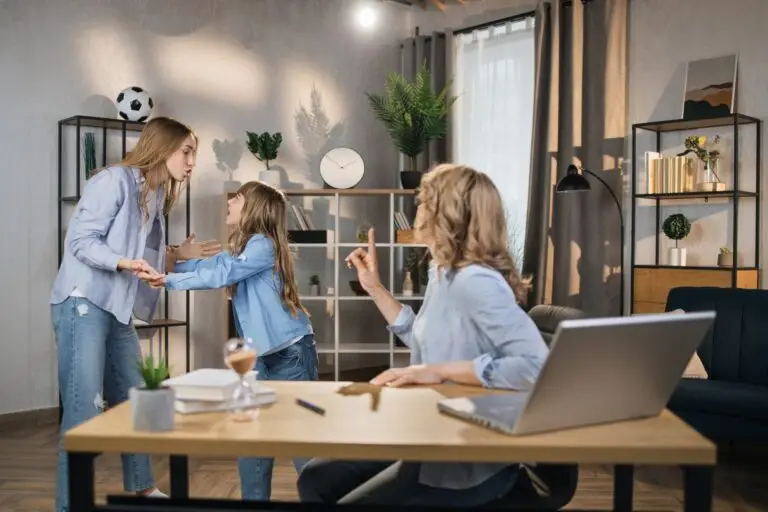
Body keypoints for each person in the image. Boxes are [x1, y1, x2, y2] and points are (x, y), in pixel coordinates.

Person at [296, 164, 550, 507]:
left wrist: (441, 371)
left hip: (464, 462)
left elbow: (537, 368)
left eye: (423, 201)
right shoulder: (443, 271)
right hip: (427, 433)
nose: (416, 210)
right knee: (315, 479)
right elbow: (421, 339)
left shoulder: (474, 280)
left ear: (446, 213)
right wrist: (374, 288)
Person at [50, 116, 221, 512]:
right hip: (82, 302)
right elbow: (79, 241)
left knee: (140, 401)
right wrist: (125, 263)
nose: (193, 161)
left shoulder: (157, 194)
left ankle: (143, 488)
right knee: (83, 411)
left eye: (194, 152)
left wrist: (179, 254)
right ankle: (69, 505)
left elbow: (142, 252)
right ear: (162, 147)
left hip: (117, 310)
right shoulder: (113, 180)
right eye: (187, 151)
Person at [138, 180, 318, 501]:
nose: (231, 203)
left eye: (237, 199)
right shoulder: (247, 249)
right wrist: (174, 261)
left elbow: (223, 274)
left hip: (290, 354)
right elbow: (217, 265)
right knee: (250, 441)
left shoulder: (262, 245)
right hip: (261, 357)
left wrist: (168, 279)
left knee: (299, 441)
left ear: (253, 209)